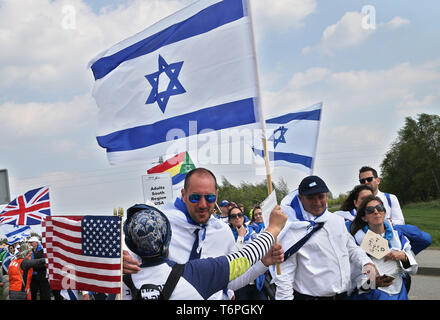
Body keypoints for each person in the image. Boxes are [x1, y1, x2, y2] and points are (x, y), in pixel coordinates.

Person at [123, 167, 284, 300]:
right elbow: (132, 266)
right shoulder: (161, 226)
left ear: (217, 195)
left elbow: (230, 279)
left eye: (209, 197)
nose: (202, 204)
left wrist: (263, 263)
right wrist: (118, 263)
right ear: (183, 194)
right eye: (194, 197)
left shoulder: (222, 231)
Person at [275, 175, 376, 300]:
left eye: (321, 197)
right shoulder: (292, 230)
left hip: (343, 296)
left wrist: (367, 263)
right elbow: (285, 276)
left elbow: (352, 249)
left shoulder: (337, 221)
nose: (317, 202)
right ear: (300, 198)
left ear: (327, 196)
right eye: (311, 198)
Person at [348, 195, 418, 300]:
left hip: (399, 293)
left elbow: (413, 270)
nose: (376, 212)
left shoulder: (398, 236)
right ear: (364, 217)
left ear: (384, 213)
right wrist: (373, 283)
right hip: (371, 295)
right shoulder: (357, 241)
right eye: (370, 210)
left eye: (379, 208)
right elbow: (353, 282)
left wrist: (404, 256)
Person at [359, 166, 431, 255]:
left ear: (378, 180)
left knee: (425, 238)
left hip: (392, 230)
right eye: (362, 181)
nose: (366, 182)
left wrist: (385, 223)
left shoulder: (390, 198)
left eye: (369, 179)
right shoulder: (360, 201)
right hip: (371, 233)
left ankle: (408, 255)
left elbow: (400, 221)